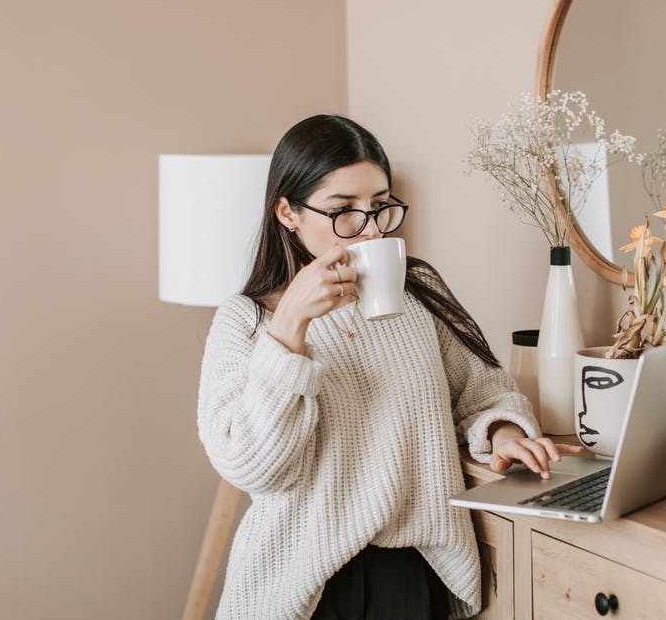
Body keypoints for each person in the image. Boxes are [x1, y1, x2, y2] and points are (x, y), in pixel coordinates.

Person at [196, 114, 581, 619]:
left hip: (416, 572)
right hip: (305, 586)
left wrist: (505, 431)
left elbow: (482, 390)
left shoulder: (418, 288)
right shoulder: (245, 321)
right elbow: (255, 468)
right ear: (288, 212)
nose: (371, 229)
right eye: (344, 212)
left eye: (380, 207)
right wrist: (289, 329)